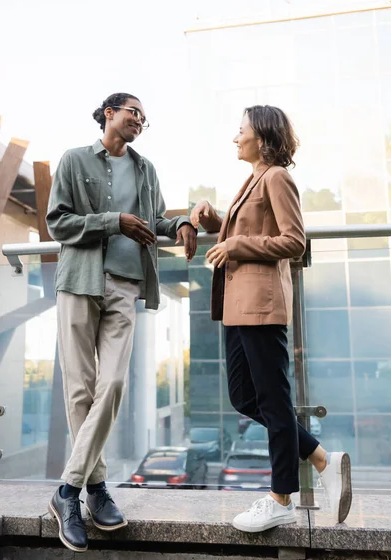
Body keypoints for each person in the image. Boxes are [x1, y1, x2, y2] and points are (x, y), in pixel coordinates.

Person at [46, 92, 197, 552]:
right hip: (79, 281)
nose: (139, 122)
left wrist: (184, 223)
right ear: (109, 113)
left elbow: (153, 221)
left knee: (111, 385)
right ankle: (93, 489)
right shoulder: (73, 160)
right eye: (134, 113)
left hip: (127, 285)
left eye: (145, 119)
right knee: (80, 389)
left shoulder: (146, 168)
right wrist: (114, 222)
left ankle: (66, 491)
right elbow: (59, 223)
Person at [190, 104, 352, 533]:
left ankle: (281, 497)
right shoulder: (254, 179)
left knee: (274, 402)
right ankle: (320, 458)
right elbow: (245, 229)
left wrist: (237, 243)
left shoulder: (277, 177)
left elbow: (293, 240)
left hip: (261, 306)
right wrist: (214, 221)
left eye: (240, 129)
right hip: (237, 306)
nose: (235, 137)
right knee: (245, 398)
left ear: (261, 138)